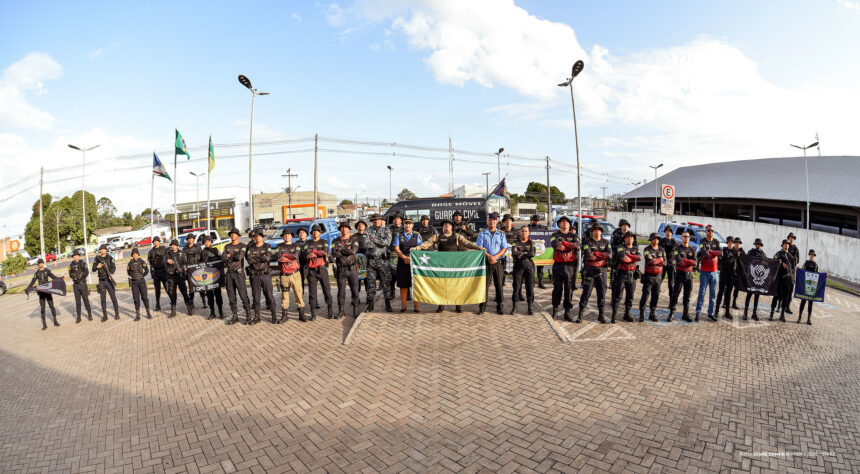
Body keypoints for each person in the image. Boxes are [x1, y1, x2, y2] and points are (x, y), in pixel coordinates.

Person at [418, 218, 483, 313]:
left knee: (457, 285)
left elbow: (467, 243)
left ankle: (458, 305)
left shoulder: (457, 236)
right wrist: (418, 247)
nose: (447, 226)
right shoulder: (438, 236)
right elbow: (428, 243)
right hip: (442, 265)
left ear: (452, 226)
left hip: (454, 265)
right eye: (445, 224)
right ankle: (441, 305)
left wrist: (478, 247)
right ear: (443, 227)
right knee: (441, 285)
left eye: (448, 224)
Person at [578, 222, 611, 323]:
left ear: (601, 231)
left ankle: (601, 315)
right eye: (595, 230)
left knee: (602, 294)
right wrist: (602, 255)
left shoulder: (606, 242)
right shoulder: (587, 241)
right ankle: (580, 315)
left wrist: (596, 253)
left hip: (602, 272)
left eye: (599, 230)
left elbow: (609, 255)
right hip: (590, 271)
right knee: (586, 293)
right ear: (592, 232)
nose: (597, 231)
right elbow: (588, 256)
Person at [476, 212, 508, 315]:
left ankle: (500, 306)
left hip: (498, 262)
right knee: (484, 286)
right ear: (487, 221)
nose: (492, 221)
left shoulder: (501, 234)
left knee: (499, 285)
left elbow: (504, 248)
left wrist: (495, 257)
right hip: (486, 262)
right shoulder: (482, 234)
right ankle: (482, 307)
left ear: (497, 221)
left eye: (494, 220)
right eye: (490, 220)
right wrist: (490, 256)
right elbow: (479, 248)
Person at [549, 215, 580, 321]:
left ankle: (567, 312)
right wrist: (570, 245)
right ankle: (555, 311)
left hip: (570, 266)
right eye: (562, 221)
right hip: (558, 265)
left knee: (569, 290)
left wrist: (565, 243)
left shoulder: (574, 235)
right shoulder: (555, 235)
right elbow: (557, 246)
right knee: (557, 289)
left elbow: (578, 246)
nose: (565, 223)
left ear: (569, 224)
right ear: (559, 224)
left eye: (567, 221)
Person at [364, 214, 394, 312]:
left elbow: (387, 243)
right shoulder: (368, 230)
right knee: (371, 283)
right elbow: (366, 243)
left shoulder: (386, 230)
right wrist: (379, 242)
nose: (377, 221)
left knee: (386, 282)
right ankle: (371, 303)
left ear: (381, 220)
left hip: (382, 260)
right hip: (371, 261)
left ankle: (387, 303)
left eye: (378, 220)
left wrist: (374, 240)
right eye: (374, 220)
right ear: (372, 221)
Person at [221, 228, 252, 324]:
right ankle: (235, 316)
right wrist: (227, 257)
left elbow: (240, 256)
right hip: (229, 274)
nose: (233, 235)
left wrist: (229, 256)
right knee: (231, 297)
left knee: (243, 296)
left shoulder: (243, 246)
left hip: (239, 274)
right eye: (231, 234)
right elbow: (223, 258)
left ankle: (248, 316)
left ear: (238, 235)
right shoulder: (227, 246)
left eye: (234, 234)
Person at [393, 217, 423, 312]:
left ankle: (416, 307)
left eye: (410, 223)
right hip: (402, 262)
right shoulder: (399, 235)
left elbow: (420, 247)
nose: (407, 225)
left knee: (415, 284)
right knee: (403, 285)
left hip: (414, 262)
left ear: (412, 225)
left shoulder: (417, 235)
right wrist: (404, 258)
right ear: (404, 225)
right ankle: (403, 305)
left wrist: (411, 258)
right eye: (406, 223)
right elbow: (397, 249)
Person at [274, 229, 305, 322]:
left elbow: (295, 256)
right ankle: (284, 315)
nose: (287, 236)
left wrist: (285, 257)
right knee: (285, 295)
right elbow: (278, 257)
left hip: (295, 274)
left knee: (298, 293)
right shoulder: (279, 246)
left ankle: (301, 314)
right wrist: (289, 257)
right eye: (285, 235)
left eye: (289, 234)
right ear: (283, 236)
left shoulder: (296, 245)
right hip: (284, 276)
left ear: (291, 236)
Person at [332, 221, 361, 318]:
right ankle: (341, 311)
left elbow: (353, 251)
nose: (344, 229)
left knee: (355, 290)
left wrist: (340, 249)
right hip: (341, 270)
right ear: (340, 229)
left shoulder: (354, 239)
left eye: (346, 227)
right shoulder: (335, 241)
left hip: (352, 269)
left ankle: (355, 311)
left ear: (349, 229)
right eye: (342, 227)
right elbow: (334, 254)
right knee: (341, 291)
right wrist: (346, 249)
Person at [246, 230, 275, 324]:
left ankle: (273, 315)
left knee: (270, 295)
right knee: (256, 297)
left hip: (265, 275)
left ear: (262, 237)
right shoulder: (251, 248)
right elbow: (249, 260)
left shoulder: (267, 246)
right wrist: (260, 257)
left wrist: (256, 257)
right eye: (256, 236)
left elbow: (268, 258)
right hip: (255, 276)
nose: (257, 237)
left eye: (259, 236)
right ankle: (257, 317)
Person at [610, 231, 640, 323]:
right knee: (617, 296)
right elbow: (623, 257)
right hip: (622, 275)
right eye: (628, 237)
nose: (630, 239)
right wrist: (633, 257)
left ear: (634, 239)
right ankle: (613, 316)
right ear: (624, 239)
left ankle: (627, 314)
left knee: (630, 296)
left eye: (631, 237)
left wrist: (630, 256)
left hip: (632, 275)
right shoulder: (620, 247)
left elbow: (639, 258)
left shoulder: (635, 248)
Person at [668, 231, 697, 322]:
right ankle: (671, 313)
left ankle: (685, 314)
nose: (686, 238)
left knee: (687, 296)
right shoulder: (677, 248)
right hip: (680, 274)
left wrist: (686, 261)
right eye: (684, 236)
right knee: (675, 294)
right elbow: (679, 261)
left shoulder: (692, 249)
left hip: (689, 275)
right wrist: (689, 262)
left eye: (688, 236)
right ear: (681, 238)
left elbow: (695, 263)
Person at [306, 224, 334, 319]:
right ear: (312, 233)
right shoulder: (308, 242)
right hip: (311, 271)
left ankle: (330, 311)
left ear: (320, 233)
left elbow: (325, 252)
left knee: (326, 290)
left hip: (322, 269)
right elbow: (306, 254)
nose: (315, 232)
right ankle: (313, 313)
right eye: (314, 231)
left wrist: (313, 252)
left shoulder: (324, 241)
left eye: (317, 231)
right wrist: (318, 252)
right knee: (312, 293)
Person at [695, 224, 721, 321]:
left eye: (712, 231)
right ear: (706, 231)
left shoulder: (716, 241)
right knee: (701, 293)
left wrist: (711, 252)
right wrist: (713, 253)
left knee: (713, 294)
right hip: (704, 272)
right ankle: (698, 312)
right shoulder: (702, 241)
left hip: (714, 272)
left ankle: (710, 313)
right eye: (709, 230)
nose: (711, 232)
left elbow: (720, 253)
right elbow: (704, 253)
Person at [639, 233, 666, 322]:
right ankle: (642, 314)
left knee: (656, 296)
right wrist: (660, 260)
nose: (656, 240)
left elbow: (665, 263)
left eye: (657, 239)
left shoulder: (662, 250)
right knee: (645, 295)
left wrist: (657, 261)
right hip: (649, 276)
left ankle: (652, 314)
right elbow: (649, 261)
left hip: (658, 277)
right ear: (650, 240)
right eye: (654, 238)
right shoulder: (647, 249)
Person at [510, 225, 536, 315]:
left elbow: (532, 253)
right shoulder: (515, 242)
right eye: (522, 231)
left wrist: (520, 253)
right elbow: (514, 253)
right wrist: (525, 253)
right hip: (518, 266)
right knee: (516, 287)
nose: (524, 232)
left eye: (526, 231)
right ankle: (514, 307)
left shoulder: (532, 242)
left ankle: (530, 307)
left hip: (529, 265)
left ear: (528, 233)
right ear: (520, 232)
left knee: (530, 287)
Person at [29, 259, 61, 330]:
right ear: (38, 265)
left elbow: (54, 277)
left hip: (48, 291)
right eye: (39, 263)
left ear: (43, 264)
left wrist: (60, 279)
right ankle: (44, 324)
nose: (41, 264)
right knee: (42, 308)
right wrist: (28, 289)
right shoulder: (36, 273)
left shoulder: (47, 271)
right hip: (41, 293)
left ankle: (55, 321)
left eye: (42, 263)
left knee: (52, 306)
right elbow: (32, 282)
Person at [93, 244, 120, 321]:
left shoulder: (110, 258)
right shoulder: (97, 258)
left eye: (104, 249)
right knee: (102, 299)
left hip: (109, 281)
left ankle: (117, 313)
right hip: (101, 281)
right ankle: (105, 315)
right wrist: (96, 267)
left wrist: (110, 274)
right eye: (101, 249)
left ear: (106, 250)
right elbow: (93, 269)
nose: (102, 250)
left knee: (113, 298)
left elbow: (113, 268)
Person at [164, 239, 191, 318]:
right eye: (172, 245)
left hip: (180, 276)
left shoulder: (181, 253)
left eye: (175, 245)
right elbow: (163, 262)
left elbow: (185, 262)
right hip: (171, 276)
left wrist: (184, 267)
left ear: (177, 246)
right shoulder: (168, 254)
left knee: (184, 292)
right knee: (172, 294)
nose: (173, 246)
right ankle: (173, 311)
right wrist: (166, 261)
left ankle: (189, 308)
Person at [770, 239, 795, 322]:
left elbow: (793, 267)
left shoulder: (790, 256)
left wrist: (791, 274)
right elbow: (773, 261)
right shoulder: (779, 253)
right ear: (782, 245)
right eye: (785, 244)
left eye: (787, 244)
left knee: (785, 297)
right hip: (780, 279)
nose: (786, 245)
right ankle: (772, 313)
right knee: (776, 296)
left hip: (788, 280)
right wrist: (780, 262)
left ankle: (782, 315)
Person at [714, 237, 739, 320]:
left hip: (731, 275)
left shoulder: (735, 251)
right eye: (729, 242)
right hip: (724, 274)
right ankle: (716, 311)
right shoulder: (723, 250)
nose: (730, 243)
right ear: (727, 242)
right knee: (720, 292)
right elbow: (720, 261)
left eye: (732, 242)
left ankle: (727, 312)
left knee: (728, 293)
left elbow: (738, 260)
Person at [743, 238, 766, 321]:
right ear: (755, 244)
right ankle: (745, 313)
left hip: (759, 278)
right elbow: (746, 260)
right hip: (752, 277)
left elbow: (766, 263)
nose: (758, 245)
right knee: (749, 294)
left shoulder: (763, 254)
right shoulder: (751, 252)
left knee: (757, 295)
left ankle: (754, 313)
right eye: (757, 244)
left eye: (759, 244)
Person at [201, 235, 224, 320]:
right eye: (205, 242)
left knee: (218, 294)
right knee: (209, 296)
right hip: (207, 277)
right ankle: (212, 312)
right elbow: (199, 264)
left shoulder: (215, 250)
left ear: (211, 242)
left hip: (215, 276)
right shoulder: (202, 252)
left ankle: (221, 312)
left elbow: (221, 260)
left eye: (208, 241)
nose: (207, 243)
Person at [126, 248, 151, 321]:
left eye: (136, 254)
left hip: (142, 282)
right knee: (136, 299)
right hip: (134, 283)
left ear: (138, 254)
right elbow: (128, 272)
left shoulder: (141, 261)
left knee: (145, 298)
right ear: (132, 255)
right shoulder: (130, 263)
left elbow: (147, 270)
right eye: (133, 254)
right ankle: (137, 315)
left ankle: (148, 313)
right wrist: (133, 276)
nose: (135, 255)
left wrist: (142, 276)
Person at [68, 250, 92, 322]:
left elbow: (87, 272)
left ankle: (89, 315)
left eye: (76, 255)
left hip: (82, 284)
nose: (75, 257)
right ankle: (79, 317)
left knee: (86, 300)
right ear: (73, 257)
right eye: (74, 256)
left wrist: (81, 276)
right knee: (78, 302)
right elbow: (70, 274)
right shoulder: (70, 265)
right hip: (76, 285)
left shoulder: (83, 263)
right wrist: (74, 276)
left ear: (78, 256)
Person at [148, 236, 170, 311]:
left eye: (157, 241)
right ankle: (157, 304)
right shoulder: (151, 251)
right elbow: (150, 263)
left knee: (167, 288)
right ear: (153, 242)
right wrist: (152, 273)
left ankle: (172, 301)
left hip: (163, 271)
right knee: (157, 290)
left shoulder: (164, 249)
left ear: (159, 242)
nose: (156, 242)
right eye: (154, 241)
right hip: (156, 273)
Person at [183, 234, 204, 309]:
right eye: (189, 238)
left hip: (197, 270)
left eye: (191, 238)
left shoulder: (198, 247)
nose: (190, 240)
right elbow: (183, 259)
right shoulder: (185, 248)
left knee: (200, 286)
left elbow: (202, 258)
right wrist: (184, 267)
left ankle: (204, 302)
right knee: (191, 288)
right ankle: (191, 303)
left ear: (193, 239)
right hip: (189, 271)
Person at [782, 232, 801, 315]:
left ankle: (787, 307)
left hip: (792, 271)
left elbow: (798, 259)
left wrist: (795, 262)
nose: (791, 239)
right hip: (784, 270)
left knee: (790, 290)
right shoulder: (785, 246)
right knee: (782, 289)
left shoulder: (796, 249)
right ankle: (780, 305)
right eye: (790, 237)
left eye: (793, 237)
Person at [797, 249, 818, 325]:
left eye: (813, 255)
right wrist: (798, 270)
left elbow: (818, 274)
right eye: (811, 255)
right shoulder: (806, 263)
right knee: (803, 302)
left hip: (812, 287)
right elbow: (802, 272)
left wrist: (825, 275)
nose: (812, 256)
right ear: (809, 255)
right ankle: (799, 317)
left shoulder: (815, 265)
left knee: (810, 303)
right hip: (805, 286)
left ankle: (808, 319)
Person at [528, 214, 549, 288]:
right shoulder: (529, 227)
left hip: (540, 251)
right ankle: (532, 283)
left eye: (537, 220)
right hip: (531, 250)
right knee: (531, 269)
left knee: (540, 269)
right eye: (535, 220)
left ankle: (540, 282)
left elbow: (547, 237)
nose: (536, 222)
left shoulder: (543, 228)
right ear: (532, 220)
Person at [388, 214, 403, 298]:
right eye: (395, 219)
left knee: (404, 273)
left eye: (398, 219)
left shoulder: (404, 228)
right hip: (392, 253)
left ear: (401, 220)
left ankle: (407, 293)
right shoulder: (389, 229)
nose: (396, 220)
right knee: (392, 274)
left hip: (402, 253)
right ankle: (392, 292)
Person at [500, 214, 518, 288]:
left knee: (516, 276)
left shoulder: (516, 231)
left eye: (509, 220)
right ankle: (499, 294)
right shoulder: (500, 231)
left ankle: (518, 293)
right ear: (504, 222)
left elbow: (519, 241)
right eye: (506, 220)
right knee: (501, 275)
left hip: (514, 255)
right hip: (503, 255)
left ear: (512, 222)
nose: (508, 222)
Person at [354, 219, 368, 298]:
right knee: (356, 281)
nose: (360, 226)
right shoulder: (353, 237)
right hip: (356, 262)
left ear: (365, 227)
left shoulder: (368, 236)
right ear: (356, 227)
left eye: (362, 224)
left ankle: (368, 298)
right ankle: (356, 298)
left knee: (367, 281)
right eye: (359, 225)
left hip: (366, 261)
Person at [659, 226, 677, 292]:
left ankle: (672, 298)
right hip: (663, 263)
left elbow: (676, 252)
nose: (668, 233)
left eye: (669, 231)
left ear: (672, 233)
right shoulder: (661, 241)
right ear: (665, 232)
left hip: (671, 263)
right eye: (667, 231)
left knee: (671, 282)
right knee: (659, 279)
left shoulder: (674, 242)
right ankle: (656, 292)